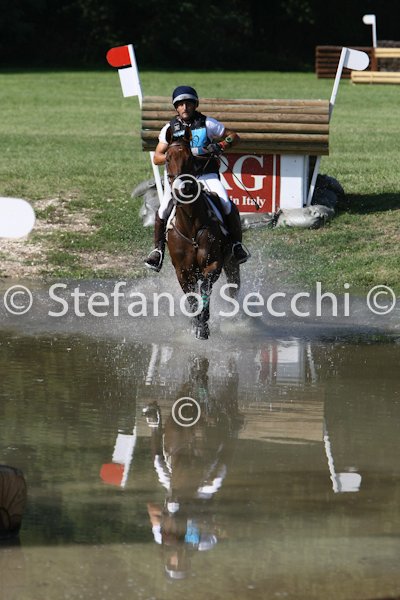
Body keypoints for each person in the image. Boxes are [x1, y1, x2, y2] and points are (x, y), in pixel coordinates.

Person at [145, 85, 251, 272]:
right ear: (176, 107)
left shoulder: (208, 123)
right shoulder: (169, 128)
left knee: (226, 203)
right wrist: (173, 155)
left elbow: (234, 137)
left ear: (195, 105)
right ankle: (158, 251)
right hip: (180, 179)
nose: (184, 107)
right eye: (180, 104)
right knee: (163, 209)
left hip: (205, 175)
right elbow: (157, 157)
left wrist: (221, 145)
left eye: (188, 103)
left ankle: (236, 245)